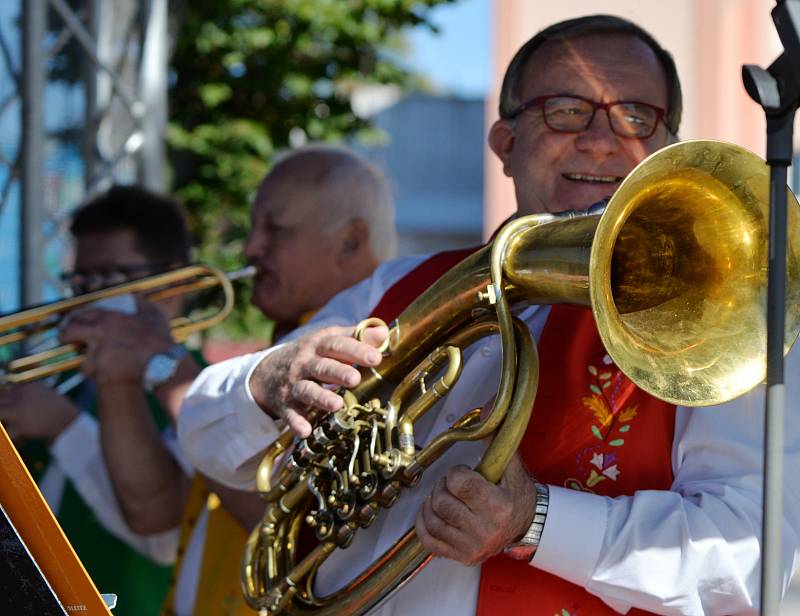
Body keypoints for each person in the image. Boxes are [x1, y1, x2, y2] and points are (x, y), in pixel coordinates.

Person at [177, 15, 800, 616]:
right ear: (505, 143)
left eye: (637, 116)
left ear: (666, 146)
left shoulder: (717, 308)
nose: (603, 138)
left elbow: (756, 554)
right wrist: (268, 380)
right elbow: (203, 429)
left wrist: (537, 521)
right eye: (565, 110)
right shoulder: (398, 285)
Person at [114, 144, 395, 616]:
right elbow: (155, 513)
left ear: (350, 242)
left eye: (276, 231)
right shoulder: (273, 351)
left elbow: (298, 530)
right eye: (253, 227)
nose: (250, 249)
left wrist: (171, 374)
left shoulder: (368, 363)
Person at [0, 185, 199, 616]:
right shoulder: (56, 374)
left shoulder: (194, 389)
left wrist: (64, 428)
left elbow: (163, 542)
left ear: (170, 285)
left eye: (108, 278)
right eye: (80, 280)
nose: (85, 298)